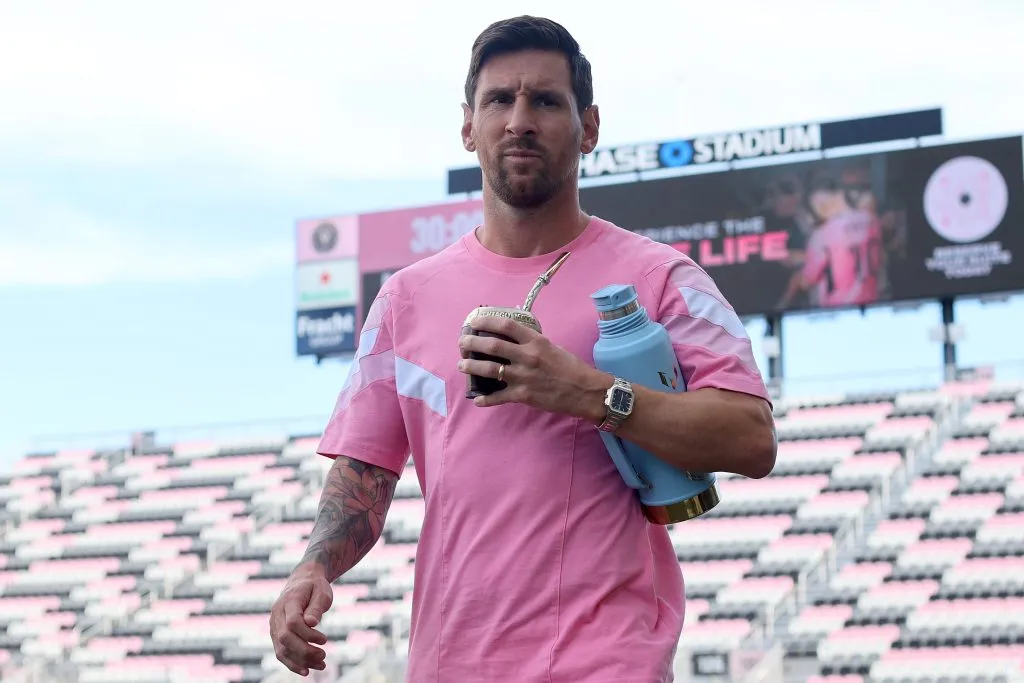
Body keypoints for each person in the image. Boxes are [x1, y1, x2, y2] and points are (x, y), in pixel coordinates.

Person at [270, 15, 777, 683]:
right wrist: (314, 563)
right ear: (467, 125)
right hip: (451, 662)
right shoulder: (405, 300)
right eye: (499, 100)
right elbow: (366, 470)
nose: (519, 120)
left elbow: (751, 436)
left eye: (545, 100)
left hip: (606, 662)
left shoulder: (661, 278)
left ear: (589, 126)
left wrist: (590, 393)